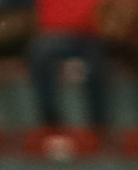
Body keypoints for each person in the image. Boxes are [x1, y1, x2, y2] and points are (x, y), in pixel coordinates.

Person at [28, 0, 138, 131]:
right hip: (55, 35)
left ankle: (99, 124)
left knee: (97, 64)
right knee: (40, 52)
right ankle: (50, 120)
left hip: (93, 36)